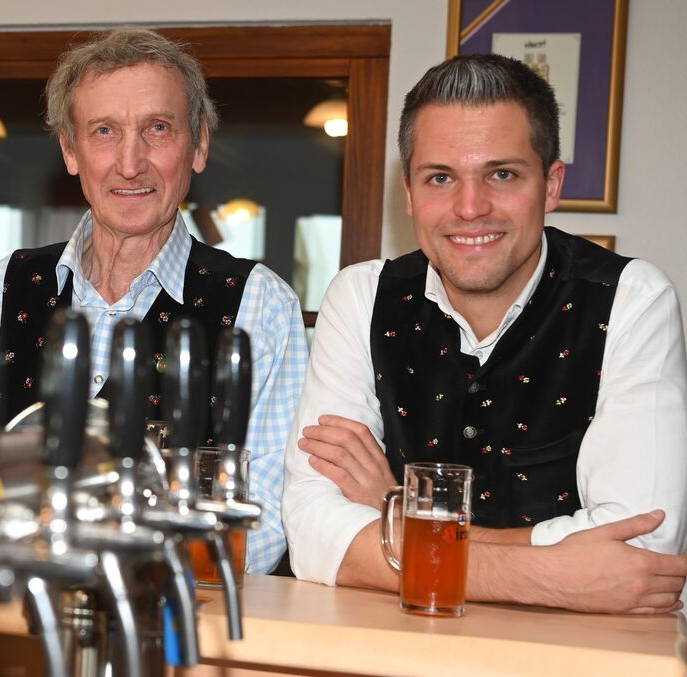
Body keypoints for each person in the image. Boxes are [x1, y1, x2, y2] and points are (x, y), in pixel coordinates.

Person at [282, 53, 687, 613]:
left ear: (551, 184)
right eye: (440, 177)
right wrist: (550, 574)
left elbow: (642, 553)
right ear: (409, 193)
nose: (470, 208)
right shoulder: (359, 296)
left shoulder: (632, 300)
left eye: (502, 174)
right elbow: (311, 534)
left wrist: (396, 513)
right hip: (393, 648)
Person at [0, 27, 308, 574]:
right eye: (104, 131)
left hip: (174, 616)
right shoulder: (4, 287)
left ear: (199, 145)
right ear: (71, 150)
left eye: (158, 128)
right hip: (13, 610)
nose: (130, 163)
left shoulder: (260, 305)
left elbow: (265, 518)